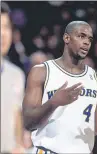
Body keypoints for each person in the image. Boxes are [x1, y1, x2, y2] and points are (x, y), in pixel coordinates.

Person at [22, 21, 97, 153]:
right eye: (81, 36)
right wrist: (53, 102)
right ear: (67, 38)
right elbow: (27, 123)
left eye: (89, 39)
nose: (86, 42)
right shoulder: (42, 72)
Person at [1, 2, 25, 153]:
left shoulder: (17, 75)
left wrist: (20, 146)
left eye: (6, 27)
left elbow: (17, 118)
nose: (2, 33)